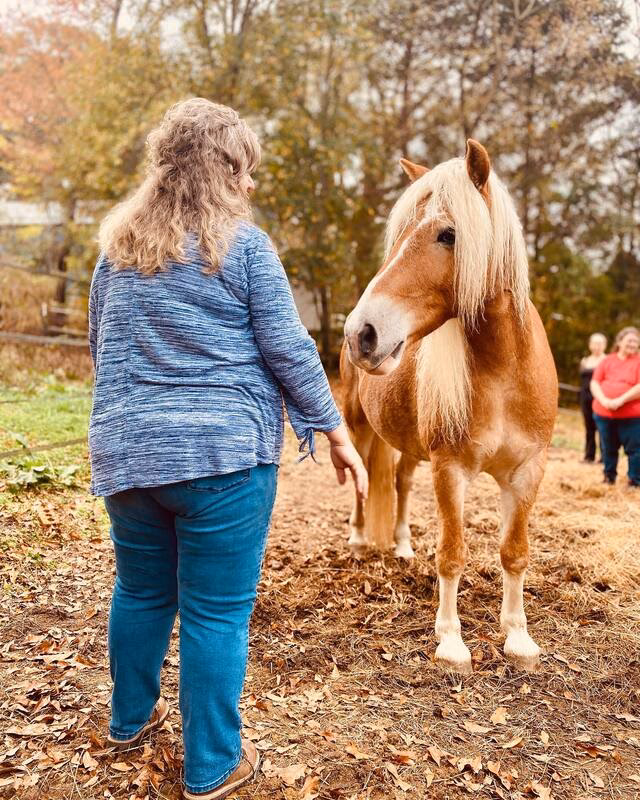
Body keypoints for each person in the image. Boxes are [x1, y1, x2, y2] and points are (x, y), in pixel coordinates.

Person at [88, 98, 368, 800]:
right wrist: (336, 431)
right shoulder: (244, 248)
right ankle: (213, 766)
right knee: (215, 613)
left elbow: (100, 344)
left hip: (129, 457)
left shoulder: (117, 250)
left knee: (141, 591)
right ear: (219, 171)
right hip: (224, 462)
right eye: (244, 169)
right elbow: (289, 349)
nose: (251, 183)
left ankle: (128, 721)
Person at [590, 326, 640, 488]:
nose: (633, 344)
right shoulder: (607, 360)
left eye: (636, 341)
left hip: (632, 417)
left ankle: (634, 481)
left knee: (635, 450)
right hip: (604, 414)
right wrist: (604, 400)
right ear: (619, 341)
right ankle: (609, 477)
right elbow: (595, 382)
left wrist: (620, 400)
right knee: (608, 448)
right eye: (629, 340)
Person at [579, 332, 607, 462]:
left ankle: (604, 456)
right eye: (595, 343)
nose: (597, 346)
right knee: (589, 427)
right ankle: (589, 456)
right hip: (585, 398)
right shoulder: (584, 361)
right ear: (590, 345)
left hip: (600, 397)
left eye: (600, 343)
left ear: (605, 345)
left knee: (602, 427)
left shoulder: (607, 360)